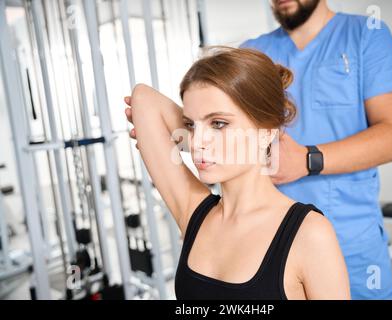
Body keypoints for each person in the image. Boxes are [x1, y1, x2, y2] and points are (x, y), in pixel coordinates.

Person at [124, 47, 350, 299]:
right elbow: (143, 99)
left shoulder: (310, 234)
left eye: (219, 123)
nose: (197, 142)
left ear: (267, 131)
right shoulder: (194, 212)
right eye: (190, 125)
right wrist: (209, 136)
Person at [240, 0, 392, 299]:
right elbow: (225, 125)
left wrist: (307, 160)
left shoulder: (366, 35)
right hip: (269, 240)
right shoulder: (252, 52)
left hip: (349, 238)